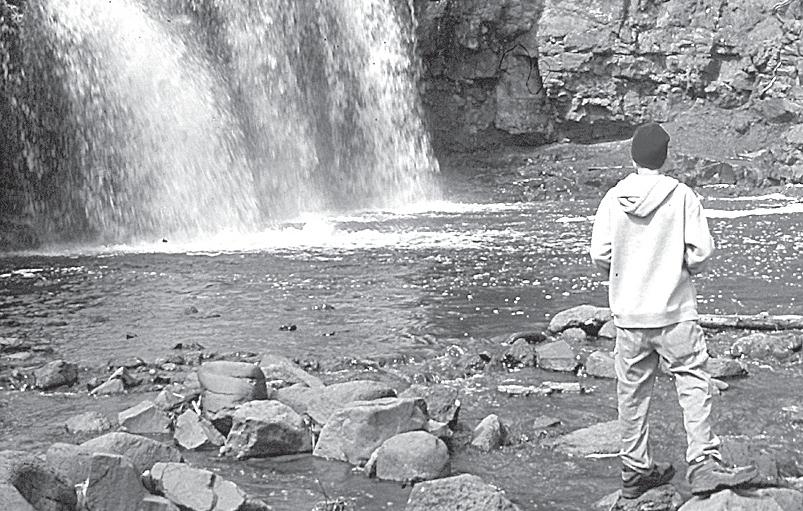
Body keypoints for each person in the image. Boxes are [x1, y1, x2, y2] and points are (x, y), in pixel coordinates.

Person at [589, 122, 758, 499]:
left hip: (629, 316)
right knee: (694, 382)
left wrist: (625, 269)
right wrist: (677, 266)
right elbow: (701, 253)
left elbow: (600, 254)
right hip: (676, 312)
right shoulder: (682, 196)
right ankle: (702, 463)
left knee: (632, 393)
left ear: (633, 156)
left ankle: (635, 469)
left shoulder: (613, 198)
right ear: (665, 158)